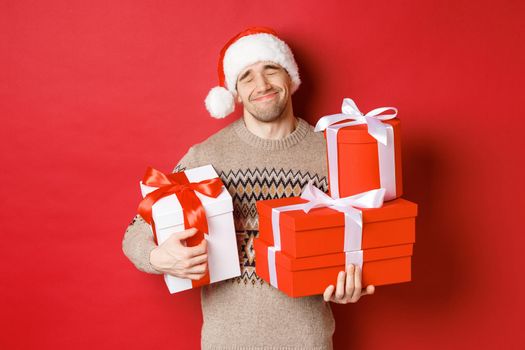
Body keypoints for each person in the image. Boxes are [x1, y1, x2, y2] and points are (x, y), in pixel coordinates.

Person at [122, 26, 374, 350]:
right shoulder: (206, 157)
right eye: (247, 76)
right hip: (225, 343)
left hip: (308, 342)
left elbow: (363, 242)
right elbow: (136, 232)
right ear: (235, 94)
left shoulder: (331, 154)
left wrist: (353, 280)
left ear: (290, 78)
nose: (262, 84)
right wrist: (159, 257)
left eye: (271, 69)